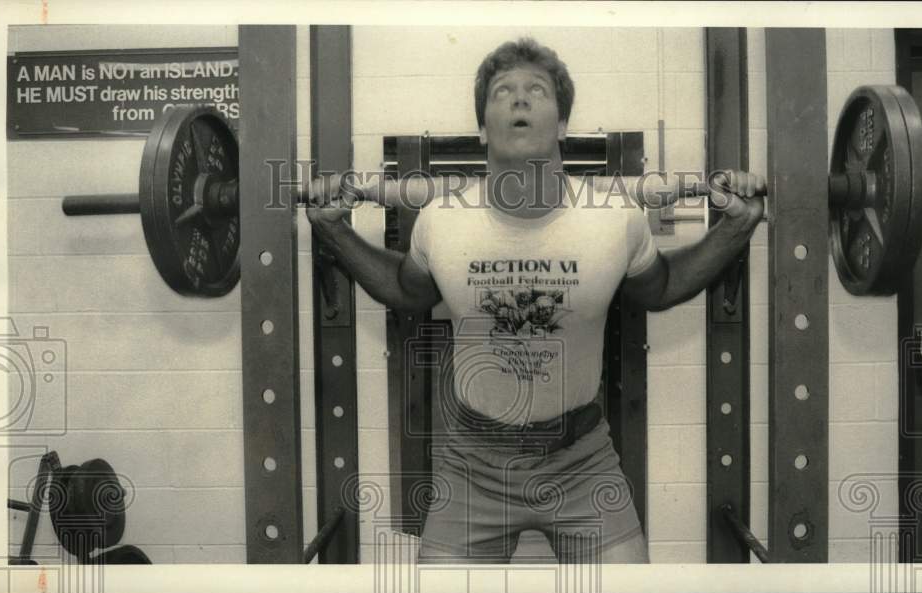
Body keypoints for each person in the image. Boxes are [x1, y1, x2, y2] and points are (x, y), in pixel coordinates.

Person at [307, 37, 765, 564]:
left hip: (582, 459)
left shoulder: (615, 218)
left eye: (536, 91)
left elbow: (658, 287)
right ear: (483, 128)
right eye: (503, 92)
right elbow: (409, 292)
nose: (519, 100)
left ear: (563, 123)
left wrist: (737, 227)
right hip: (472, 464)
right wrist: (336, 232)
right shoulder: (441, 219)